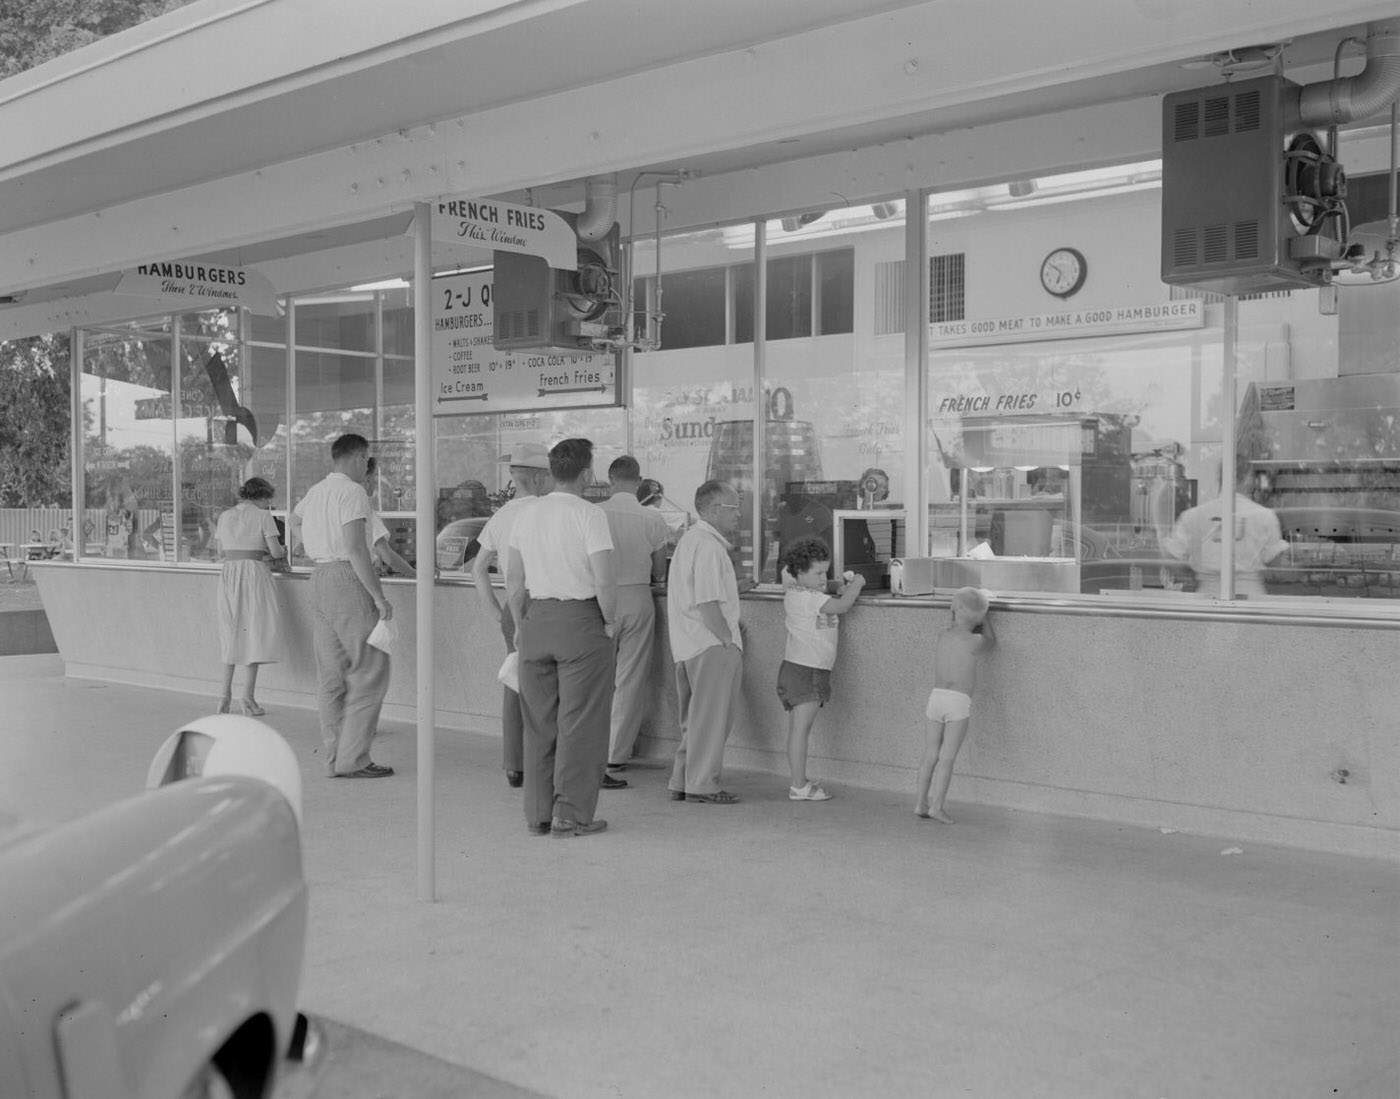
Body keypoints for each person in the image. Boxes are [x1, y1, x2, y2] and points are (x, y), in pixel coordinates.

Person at [506, 438, 617, 837]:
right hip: (581, 622)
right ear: (587, 473)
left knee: (538, 724)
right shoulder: (590, 515)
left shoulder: (527, 515)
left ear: (552, 471)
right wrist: (609, 622)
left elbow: (514, 579)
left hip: (537, 620)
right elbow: (604, 579)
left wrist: (521, 624)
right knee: (581, 724)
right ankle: (569, 814)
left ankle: (537, 814)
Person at [290, 433, 395, 779]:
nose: (367, 466)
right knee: (370, 668)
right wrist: (378, 596)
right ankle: (356, 759)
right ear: (357, 457)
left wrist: (311, 544)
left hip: (319, 577)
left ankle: (335, 757)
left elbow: (294, 521)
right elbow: (355, 547)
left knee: (332, 675)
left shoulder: (317, 491)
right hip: (346, 580)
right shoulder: (352, 492)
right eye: (366, 460)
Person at [472, 440, 554, 788]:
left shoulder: (501, 515)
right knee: (551, 685)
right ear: (538, 478)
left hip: (512, 604)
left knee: (515, 682)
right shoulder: (548, 511)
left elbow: (477, 569)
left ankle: (514, 763)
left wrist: (496, 611)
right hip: (545, 601)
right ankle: (544, 760)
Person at [666, 479, 751, 805]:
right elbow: (708, 603)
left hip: (687, 644)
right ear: (715, 509)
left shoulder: (691, 541)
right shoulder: (710, 547)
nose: (738, 515)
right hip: (711, 645)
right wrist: (727, 640)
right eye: (733, 507)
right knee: (713, 720)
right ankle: (703, 784)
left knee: (695, 719)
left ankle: (682, 779)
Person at [597, 455, 670, 777]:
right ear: (639, 482)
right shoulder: (652, 518)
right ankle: (616, 753)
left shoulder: (595, 514)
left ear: (609, 480)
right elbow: (659, 568)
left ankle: (590, 747)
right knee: (630, 679)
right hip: (638, 598)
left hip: (600, 600)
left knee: (597, 678)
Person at [777, 536, 865, 801]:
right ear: (799, 572)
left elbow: (827, 595)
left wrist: (839, 584)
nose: (822, 579)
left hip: (800, 668)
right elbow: (842, 606)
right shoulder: (807, 599)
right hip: (808, 670)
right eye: (817, 573)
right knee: (800, 731)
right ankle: (799, 785)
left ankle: (799, 779)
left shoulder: (802, 592)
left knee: (797, 730)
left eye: (825, 572)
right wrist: (857, 584)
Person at [915, 586, 996, 823]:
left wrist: (962, 609)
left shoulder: (943, 634)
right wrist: (986, 617)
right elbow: (992, 642)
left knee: (930, 754)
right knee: (947, 757)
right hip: (958, 702)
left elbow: (955, 617)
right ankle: (937, 807)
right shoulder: (976, 641)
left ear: (953, 609)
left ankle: (920, 802)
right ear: (979, 617)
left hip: (936, 698)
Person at [212, 477, 288, 716]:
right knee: (254, 632)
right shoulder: (263, 516)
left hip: (229, 575)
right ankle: (248, 697)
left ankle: (224, 695)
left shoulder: (225, 516)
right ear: (262, 497)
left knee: (231, 632)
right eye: (269, 500)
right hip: (254, 575)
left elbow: (220, 551)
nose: (269, 504)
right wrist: (281, 550)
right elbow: (276, 551)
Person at [1160, 464, 1288, 598]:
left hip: (1207, 594)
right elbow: (1277, 565)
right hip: (1250, 595)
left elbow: (1170, 555)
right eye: (1252, 477)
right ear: (1247, 479)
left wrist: (1190, 577)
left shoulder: (1193, 515)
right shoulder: (1265, 516)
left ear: (1220, 478)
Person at [363, 457, 416, 578]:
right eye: (375, 478)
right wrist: (416, 574)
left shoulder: (334, 504)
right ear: (367, 479)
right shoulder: (364, 511)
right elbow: (388, 556)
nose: (376, 484)